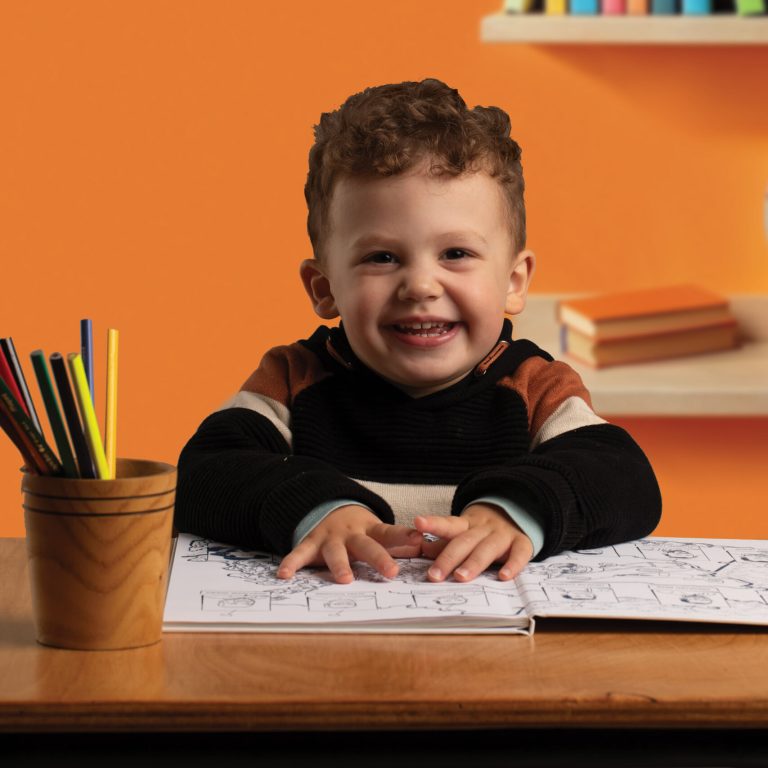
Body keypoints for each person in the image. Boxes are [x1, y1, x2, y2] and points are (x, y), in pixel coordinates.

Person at [175, 78, 661, 586]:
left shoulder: (532, 386)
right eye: (381, 257)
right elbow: (202, 474)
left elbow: (625, 480)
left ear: (513, 283)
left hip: (498, 649)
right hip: (329, 646)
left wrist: (513, 512)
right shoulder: (295, 379)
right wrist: (319, 510)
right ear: (324, 288)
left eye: (456, 254)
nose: (421, 286)